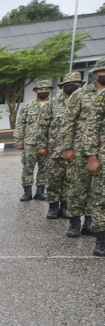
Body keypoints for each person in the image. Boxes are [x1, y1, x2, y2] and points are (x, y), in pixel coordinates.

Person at [64, 57, 105, 241]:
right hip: (80, 149)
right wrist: (67, 147)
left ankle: (90, 222)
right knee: (78, 186)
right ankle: (74, 222)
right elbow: (68, 122)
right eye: (102, 72)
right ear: (95, 74)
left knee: (96, 191)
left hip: (101, 149)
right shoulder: (80, 95)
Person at [44, 72, 84, 220]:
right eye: (68, 84)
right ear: (62, 87)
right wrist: (42, 145)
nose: (72, 87)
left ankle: (66, 206)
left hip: (77, 150)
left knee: (71, 180)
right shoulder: (52, 104)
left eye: (76, 84)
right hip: (55, 149)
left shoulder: (84, 102)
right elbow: (43, 126)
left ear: (81, 85)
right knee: (54, 179)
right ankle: (53, 206)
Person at [15, 80, 53, 202]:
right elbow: (20, 124)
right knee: (27, 168)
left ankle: (40, 191)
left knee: (44, 168)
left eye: (46, 89)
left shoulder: (54, 105)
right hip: (30, 143)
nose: (43, 91)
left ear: (50, 90)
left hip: (48, 143)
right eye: (41, 89)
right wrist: (18, 140)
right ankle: (27, 192)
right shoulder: (28, 106)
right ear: (36, 91)